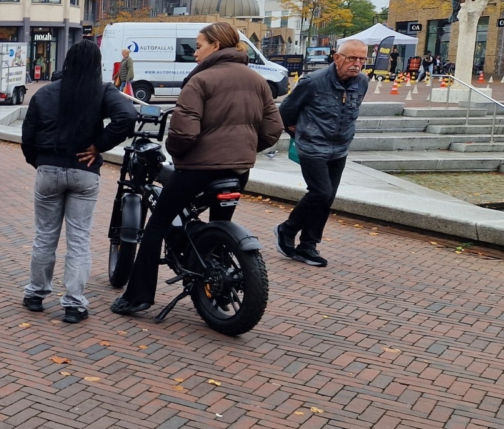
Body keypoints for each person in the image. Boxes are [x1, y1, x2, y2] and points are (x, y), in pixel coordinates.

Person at [112, 22, 283, 316]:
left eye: (199, 45)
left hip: (198, 169)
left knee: (157, 225)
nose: (195, 53)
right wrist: (243, 150)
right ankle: (212, 292)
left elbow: (184, 133)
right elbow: (273, 129)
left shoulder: (200, 80)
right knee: (220, 226)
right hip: (238, 170)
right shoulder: (257, 80)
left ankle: (138, 297)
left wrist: (177, 154)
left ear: (216, 46)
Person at [21, 40, 138, 323]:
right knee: (79, 239)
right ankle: (74, 304)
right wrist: (98, 145)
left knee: (45, 235)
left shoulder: (45, 93)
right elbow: (127, 115)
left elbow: (28, 135)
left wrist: (40, 161)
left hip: (49, 168)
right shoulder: (102, 91)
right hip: (84, 171)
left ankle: (36, 294)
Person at [273, 39, 369, 268]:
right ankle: (287, 229)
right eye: (352, 58)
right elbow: (286, 111)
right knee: (321, 192)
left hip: (340, 148)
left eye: (362, 59)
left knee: (327, 198)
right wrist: (299, 131)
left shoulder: (362, 82)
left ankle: (308, 245)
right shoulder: (313, 82)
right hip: (313, 146)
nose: (357, 64)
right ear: (337, 58)